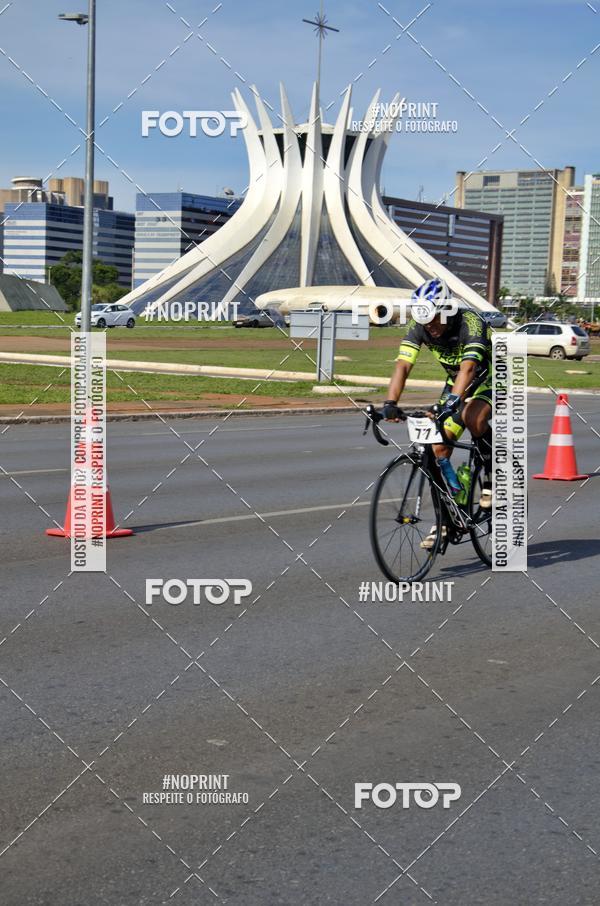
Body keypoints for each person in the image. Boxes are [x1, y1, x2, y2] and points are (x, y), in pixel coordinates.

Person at [383, 278, 493, 550]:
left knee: (472, 416)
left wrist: (453, 401)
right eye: (425, 322)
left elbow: (469, 369)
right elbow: (403, 366)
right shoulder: (420, 325)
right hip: (457, 382)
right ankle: (449, 516)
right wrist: (390, 401)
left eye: (433, 320)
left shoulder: (470, 323)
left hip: (492, 378)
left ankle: (495, 478)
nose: (429, 327)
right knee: (438, 449)